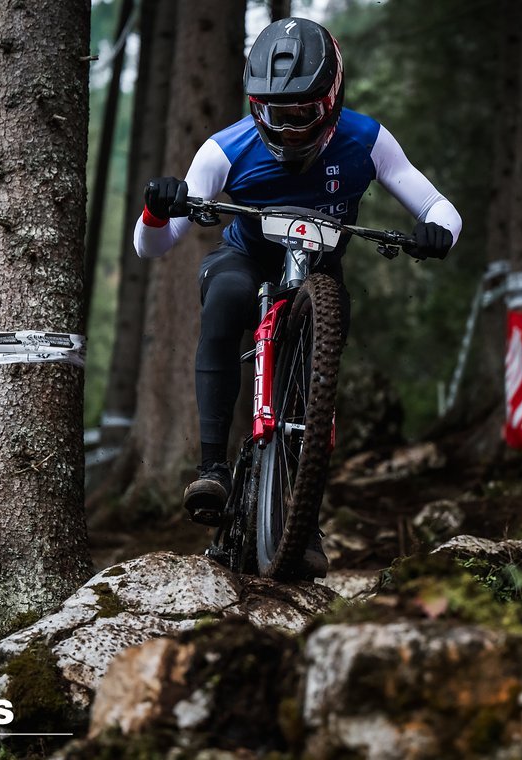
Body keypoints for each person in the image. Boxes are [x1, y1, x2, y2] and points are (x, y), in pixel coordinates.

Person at [133, 18, 462, 577]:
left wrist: (436, 231)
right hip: (246, 259)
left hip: (320, 278)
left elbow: (439, 207)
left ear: (330, 101)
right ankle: (212, 467)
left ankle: (303, 521)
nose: (286, 129)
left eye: (301, 114)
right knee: (226, 301)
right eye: (273, 113)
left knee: (318, 379)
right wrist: (158, 209)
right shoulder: (224, 149)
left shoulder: (367, 139)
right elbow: (153, 247)